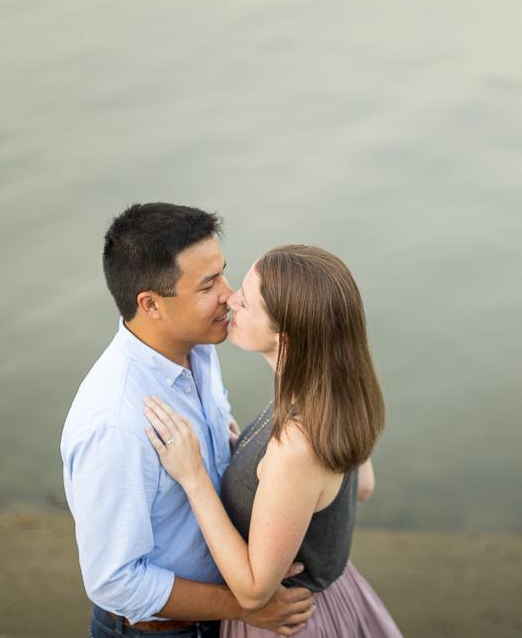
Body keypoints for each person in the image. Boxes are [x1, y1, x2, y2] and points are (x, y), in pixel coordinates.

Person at [61, 204, 316, 638]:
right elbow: (114, 581)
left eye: (222, 273)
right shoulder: (115, 425)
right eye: (207, 285)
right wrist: (246, 606)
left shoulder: (199, 347)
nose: (230, 295)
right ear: (151, 304)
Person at [142, 245, 402, 637]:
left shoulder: (296, 445)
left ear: (287, 334)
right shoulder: (334, 391)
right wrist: (247, 458)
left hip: (287, 621)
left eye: (247, 302)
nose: (231, 299)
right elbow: (361, 486)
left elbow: (252, 591)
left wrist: (194, 476)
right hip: (339, 599)